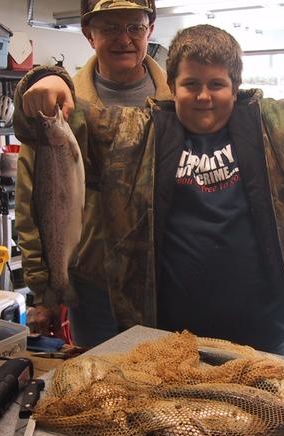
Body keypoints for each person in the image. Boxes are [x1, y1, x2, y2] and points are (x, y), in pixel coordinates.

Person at [14, 24, 284, 356]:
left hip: (264, 338)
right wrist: (45, 81)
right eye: (191, 84)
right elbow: (57, 121)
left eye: (217, 84)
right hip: (163, 342)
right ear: (171, 86)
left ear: (235, 87)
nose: (203, 96)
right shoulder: (130, 135)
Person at [14, 0, 171, 346]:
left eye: (134, 27)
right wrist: (44, 289)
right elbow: (32, 205)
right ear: (89, 34)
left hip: (165, 283)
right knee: (99, 389)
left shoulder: (177, 103)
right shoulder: (61, 111)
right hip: (93, 289)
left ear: (151, 30)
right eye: (109, 28)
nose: (123, 39)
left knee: (164, 387)